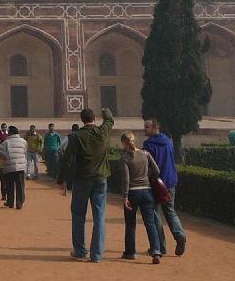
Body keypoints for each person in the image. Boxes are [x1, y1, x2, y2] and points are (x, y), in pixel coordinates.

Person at [57, 107, 115, 263]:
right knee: (99, 215)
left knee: (78, 215)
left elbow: (68, 160)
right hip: (101, 177)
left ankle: (80, 250)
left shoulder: (76, 136)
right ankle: (97, 254)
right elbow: (110, 120)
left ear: (81, 120)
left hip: (82, 178)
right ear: (94, 119)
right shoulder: (102, 132)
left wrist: (61, 179)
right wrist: (105, 111)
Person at [143, 117, 187, 256]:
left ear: (155, 127)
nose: (144, 129)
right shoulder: (168, 141)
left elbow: (147, 166)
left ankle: (160, 246)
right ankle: (180, 235)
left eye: (147, 127)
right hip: (170, 181)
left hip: (156, 183)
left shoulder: (149, 144)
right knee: (170, 211)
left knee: (154, 214)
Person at [119, 131, 163, 264]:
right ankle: (156, 250)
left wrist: (125, 196)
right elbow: (157, 171)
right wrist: (149, 178)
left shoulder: (125, 158)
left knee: (130, 224)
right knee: (150, 223)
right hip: (147, 191)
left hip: (133, 192)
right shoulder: (146, 154)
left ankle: (130, 252)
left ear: (123, 143)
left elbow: (126, 180)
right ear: (134, 140)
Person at [0, 124, 28, 209]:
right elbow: (25, 152)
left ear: (10, 133)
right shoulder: (23, 141)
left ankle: (10, 202)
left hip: (9, 167)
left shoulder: (6, 142)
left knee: (10, 186)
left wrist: (6, 157)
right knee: (20, 187)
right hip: (20, 167)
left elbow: (1, 153)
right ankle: (19, 203)